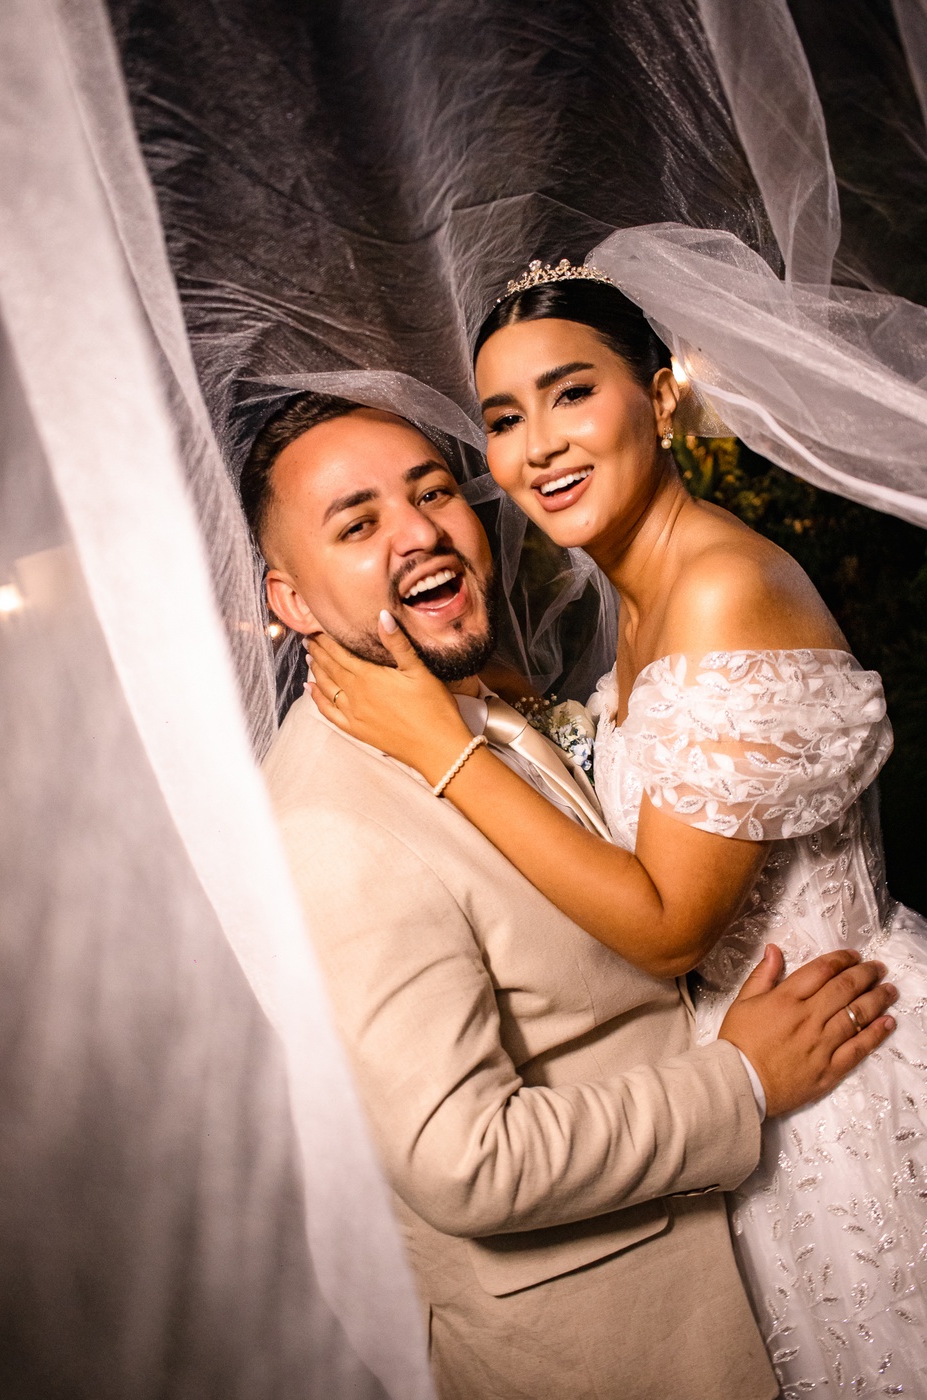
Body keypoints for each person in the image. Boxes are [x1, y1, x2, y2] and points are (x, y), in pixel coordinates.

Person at [307, 265, 927, 1398]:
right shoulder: (641, 596)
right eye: (504, 419)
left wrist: (441, 748)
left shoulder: (722, 590)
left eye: (572, 393)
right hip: (754, 1085)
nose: (538, 445)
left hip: (837, 1063)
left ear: (662, 393)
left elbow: (670, 925)